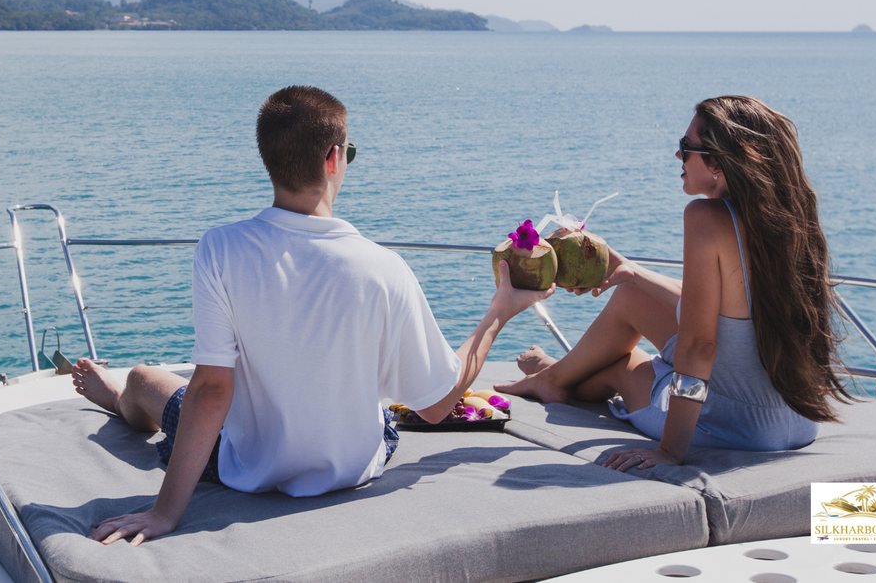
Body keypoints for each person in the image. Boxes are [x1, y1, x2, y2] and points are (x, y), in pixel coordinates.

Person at [71, 85, 551, 545]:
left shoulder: (220, 249)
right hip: (356, 464)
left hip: (246, 469)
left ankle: (120, 397)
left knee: (144, 378)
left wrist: (164, 513)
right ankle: (120, 395)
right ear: (334, 158)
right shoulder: (385, 268)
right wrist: (499, 312)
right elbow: (436, 405)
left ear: (269, 159)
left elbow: (213, 389)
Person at [498, 95, 848, 469]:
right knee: (631, 294)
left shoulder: (705, 218)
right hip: (796, 420)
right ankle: (555, 375)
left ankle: (553, 379)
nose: (677, 158)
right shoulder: (790, 219)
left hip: (736, 427)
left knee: (624, 363)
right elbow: (727, 310)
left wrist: (670, 451)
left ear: (717, 160)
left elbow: (700, 345)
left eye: (685, 148)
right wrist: (630, 270)